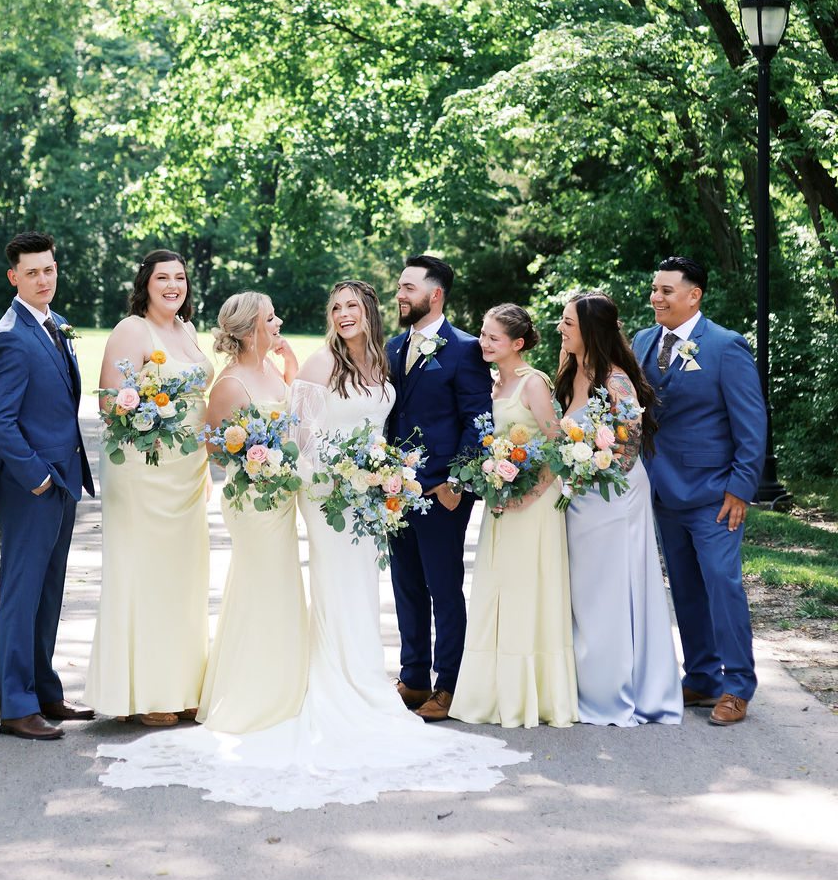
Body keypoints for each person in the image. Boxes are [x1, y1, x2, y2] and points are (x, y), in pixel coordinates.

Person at [95, 279, 528, 808]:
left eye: (352, 306)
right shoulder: (323, 365)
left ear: (369, 311)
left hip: (371, 495)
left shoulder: (385, 360)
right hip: (329, 494)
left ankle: (362, 680)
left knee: (361, 589)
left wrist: (382, 474)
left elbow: (391, 424)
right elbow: (299, 439)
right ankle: (337, 689)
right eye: (336, 306)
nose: (343, 314)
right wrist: (340, 474)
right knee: (338, 584)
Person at [634, 256, 766, 726]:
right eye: (654, 289)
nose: (656, 297)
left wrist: (740, 489)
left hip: (714, 493)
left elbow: (751, 424)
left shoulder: (726, 346)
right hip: (661, 489)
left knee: (722, 585)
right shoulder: (642, 341)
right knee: (685, 588)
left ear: (694, 296)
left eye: (666, 290)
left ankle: (738, 685)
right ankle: (703, 677)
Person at [85, 249, 213, 725]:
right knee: (144, 573)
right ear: (146, 284)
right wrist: (151, 419)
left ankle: (181, 685)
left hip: (187, 472)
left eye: (180, 277)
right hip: (143, 470)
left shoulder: (188, 330)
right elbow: (108, 402)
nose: (173, 286)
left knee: (184, 576)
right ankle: (143, 694)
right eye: (163, 278)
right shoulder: (132, 330)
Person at [0, 230, 95, 740]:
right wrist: (38, 477)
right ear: (14, 277)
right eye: (32, 272)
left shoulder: (54, 323)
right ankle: (16, 705)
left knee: (49, 591)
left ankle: (46, 691)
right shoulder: (11, 337)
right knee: (22, 593)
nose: (43, 279)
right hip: (33, 487)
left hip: (62, 479)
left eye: (48, 269)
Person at [557, 293, 683, 726]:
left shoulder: (617, 381)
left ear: (590, 330)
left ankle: (614, 691)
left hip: (613, 496)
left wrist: (586, 469)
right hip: (578, 496)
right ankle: (584, 683)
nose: (560, 329)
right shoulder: (570, 370)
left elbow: (628, 446)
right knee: (583, 591)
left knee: (611, 589)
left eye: (568, 323)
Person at [450, 305, 578, 728]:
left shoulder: (533, 382)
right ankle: (492, 691)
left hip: (533, 505)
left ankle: (531, 693)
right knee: (496, 587)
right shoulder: (491, 382)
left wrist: (530, 495)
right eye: (482, 334)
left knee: (525, 589)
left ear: (517, 343)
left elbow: (557, 446)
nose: (483, 342)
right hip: (501, 500)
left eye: (493, 338)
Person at [384, 255, 493, 720]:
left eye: (408, 288)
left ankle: (449, 684)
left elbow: (479, 421)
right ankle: (413, 678)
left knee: (443, 589)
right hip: (395, 491)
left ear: (435, 295)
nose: (399, 295)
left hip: (442, 493)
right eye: (400, 287)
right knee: (405, 585)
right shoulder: (392, 347)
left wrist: (456, 483)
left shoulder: (465, 349)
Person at [195, 291, 307, 733]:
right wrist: (257, 458)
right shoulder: (230, 384)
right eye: (271, 318)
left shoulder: (270, 369)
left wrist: (291, 364)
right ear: (247, 331)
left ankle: (283, 683)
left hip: (280, 500)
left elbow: (293, 414)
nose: (278, 323)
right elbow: (214, 448)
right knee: (263, 585)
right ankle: (255, 693)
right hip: (252, 503)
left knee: (281, 586)